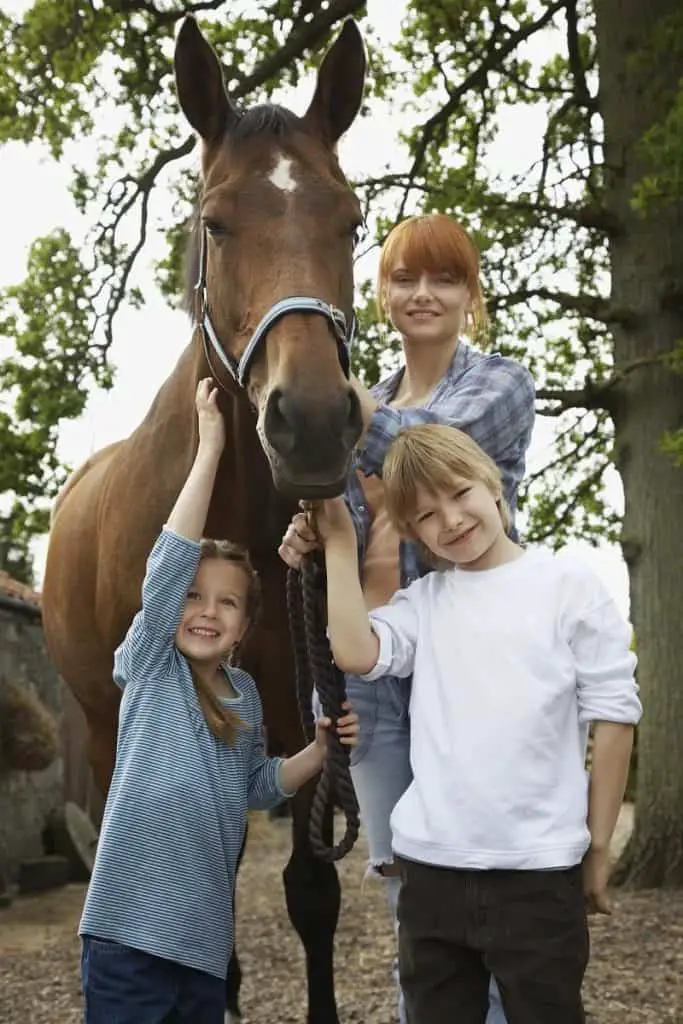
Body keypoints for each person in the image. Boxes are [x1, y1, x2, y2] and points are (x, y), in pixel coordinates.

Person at [279, 213, 535, 1023]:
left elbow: (423, 454)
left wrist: (346, 412)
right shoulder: (366, 400)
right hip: (372, 678)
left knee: (485, 890)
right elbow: (352, 528)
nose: (422, 294)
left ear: (470, 295)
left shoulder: (499, 387)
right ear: (379, 293)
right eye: (403, 279)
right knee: (410, 900)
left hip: (463, 674)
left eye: (443, 278)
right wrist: (311, 540)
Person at [316, 422, 642, 1024]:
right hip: (432, 876)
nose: (453, 519)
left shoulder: (567, 588)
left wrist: (597, 848)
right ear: (414, 534)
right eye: (427, 515)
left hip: (539, 876)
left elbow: (614, 716)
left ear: (492, 485)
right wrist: (338, 544)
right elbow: (356, 652)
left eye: (460, 493)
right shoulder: (424, 603)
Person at [78, 378, 359, 1024]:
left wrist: (318, 750)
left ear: (245, 622)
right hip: (127, 939)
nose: (205, 612)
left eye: (226, 602)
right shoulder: (153, 667)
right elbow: (170, 561)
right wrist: (210, 449)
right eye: (192, 598)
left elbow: (257, 786)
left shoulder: (246, 697)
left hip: (202, 950)